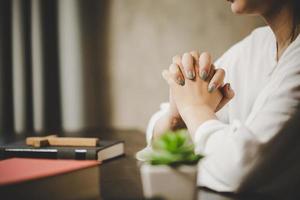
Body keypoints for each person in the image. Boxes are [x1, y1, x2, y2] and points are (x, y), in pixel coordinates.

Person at [137, 0, 300, 196]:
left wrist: (194, 109)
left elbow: (237, 169)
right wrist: (176, 118)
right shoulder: (255, 46)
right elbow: (157, 128)